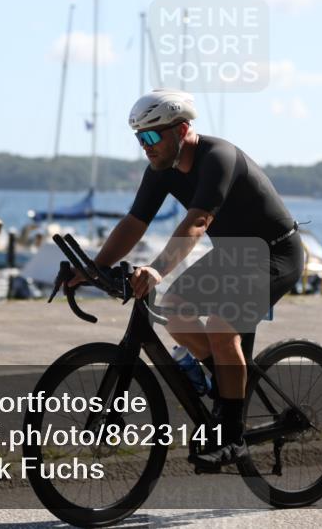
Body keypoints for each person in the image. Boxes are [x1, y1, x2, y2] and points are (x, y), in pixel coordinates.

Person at [70, 89, 304, 468]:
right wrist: (94, 268)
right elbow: (134, 223)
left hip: (275, 253)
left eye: (151, 136)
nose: (145, 146)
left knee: (221, 326)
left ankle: (232, 439)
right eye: (139, 138)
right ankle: (226, 386)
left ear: (180, 131)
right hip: (234, 256)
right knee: (175, 311)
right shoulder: (161, 170)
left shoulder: (219, 158)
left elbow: (198, 221)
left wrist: (156, 270)